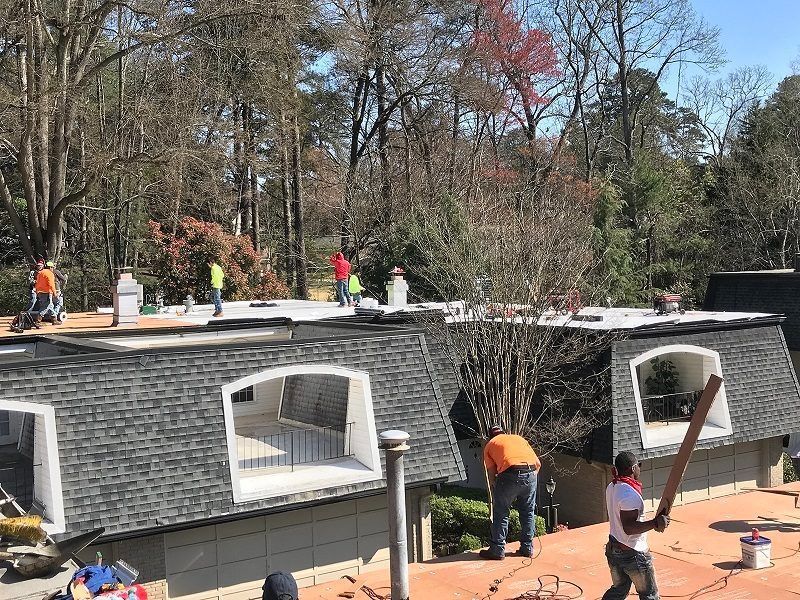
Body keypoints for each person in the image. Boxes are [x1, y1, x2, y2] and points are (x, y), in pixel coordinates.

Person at [602, 451, 670, 600]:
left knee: (618, 591)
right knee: (650, 595)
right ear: (632, 469)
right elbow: (629, 528)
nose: (640, 468)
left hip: (614, 550)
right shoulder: (629, 495)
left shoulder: (612, 487)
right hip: (632, 554)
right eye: (639, 465)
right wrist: (654, 523)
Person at [480, 425, 541, 560]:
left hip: (509, 473)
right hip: (531, 473)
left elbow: (491, 473)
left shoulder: (490, 445)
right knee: (528, 512)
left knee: (501, 512)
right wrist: (530, 479)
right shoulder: (518, 438)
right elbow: (538, 464)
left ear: (490, 436)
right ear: (504, 433)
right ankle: (527, 548)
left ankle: (497, 550)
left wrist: (495, 486)